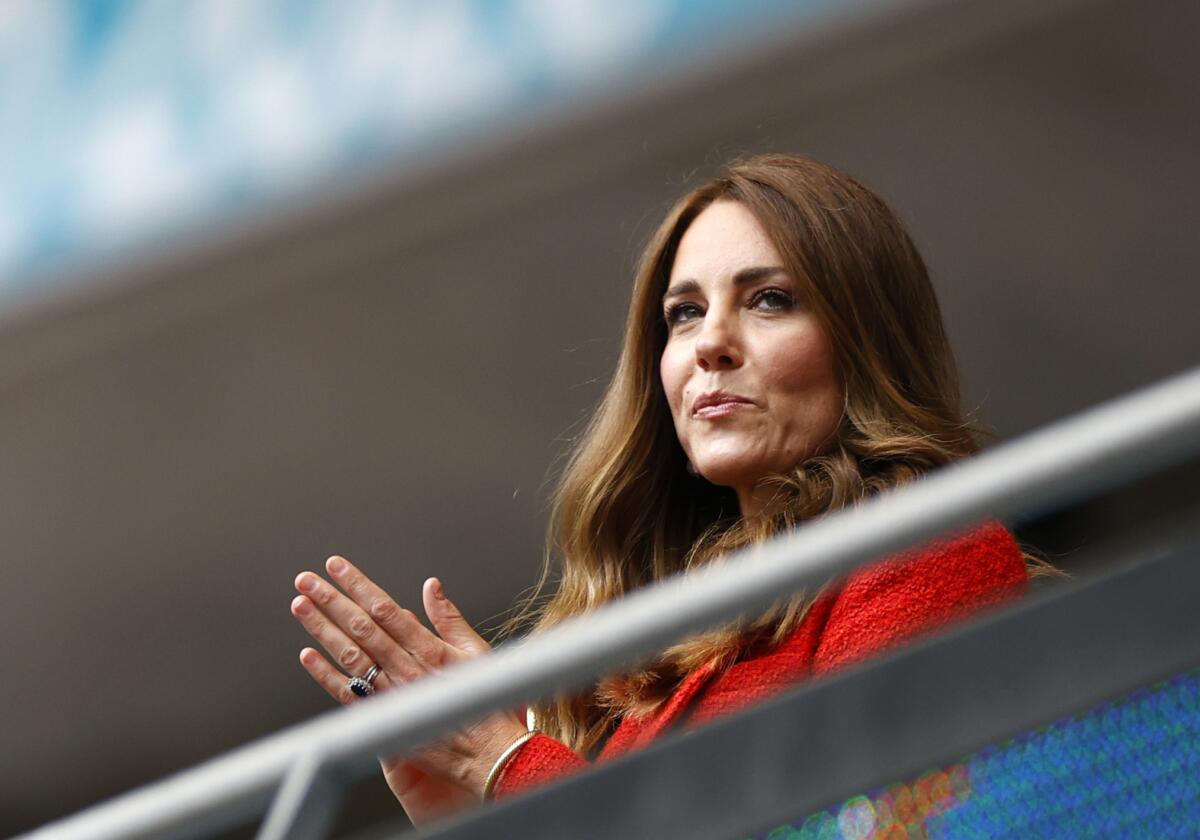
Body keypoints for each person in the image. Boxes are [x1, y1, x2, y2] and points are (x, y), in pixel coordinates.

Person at [288, 153, 1033, 825]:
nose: (710, 342)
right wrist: (469, 811)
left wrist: (511, 768)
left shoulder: (937, 552)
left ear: (866, 342)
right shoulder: (637, 665)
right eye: (684, 314)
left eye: (769, 299)